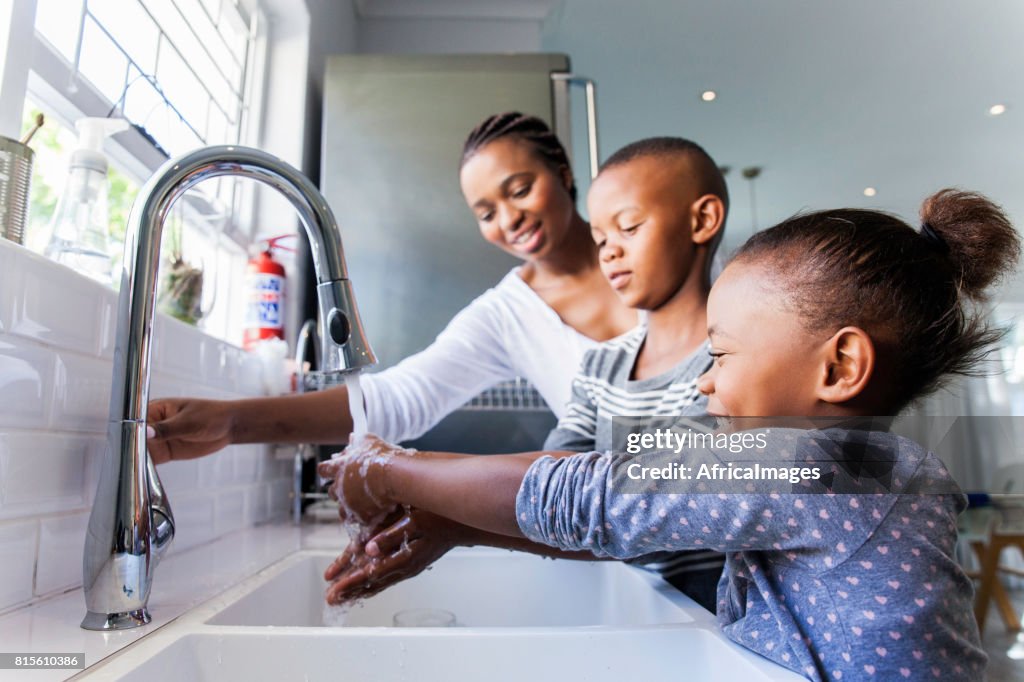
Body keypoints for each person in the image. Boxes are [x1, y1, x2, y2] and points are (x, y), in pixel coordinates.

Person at [320, 189, 1019, 680]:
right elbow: (639, 522)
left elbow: (593, 495)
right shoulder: (861, 471)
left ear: (838, 366)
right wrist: (457, 526)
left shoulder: (824, 465)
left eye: (721, 354)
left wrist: (388, 467)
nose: (707, 380)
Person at [328, 137, 729, 611]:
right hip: (650, 612)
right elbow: (559, 485)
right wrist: (452, 523)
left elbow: (640, 508)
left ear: (702, 220)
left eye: (630, 228)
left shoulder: (731, 365)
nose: (609, 253)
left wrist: (395, 472)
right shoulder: (602, 367)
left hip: (722, 632)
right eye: (601, 238)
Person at [145, 112, 636, 462]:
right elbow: (399, 399)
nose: (509, 219)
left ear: (564, 174)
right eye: (486, 213)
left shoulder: (646, 247)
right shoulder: (506, 315)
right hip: (648, 548)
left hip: (704, 501)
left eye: (520, 189)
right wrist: (232, 422)